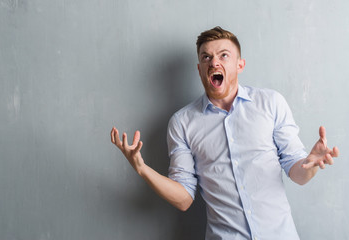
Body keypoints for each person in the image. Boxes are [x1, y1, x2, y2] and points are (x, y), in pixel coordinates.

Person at [110, 26, 339, 240]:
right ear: (199, 69)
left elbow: (298, 173)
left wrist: (311, 163)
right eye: (206, 57)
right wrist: (142, 169)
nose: (214, 62)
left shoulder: (271, 103)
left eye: (223, 55)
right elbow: (183, 199)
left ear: (240, 65)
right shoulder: (181, 123)